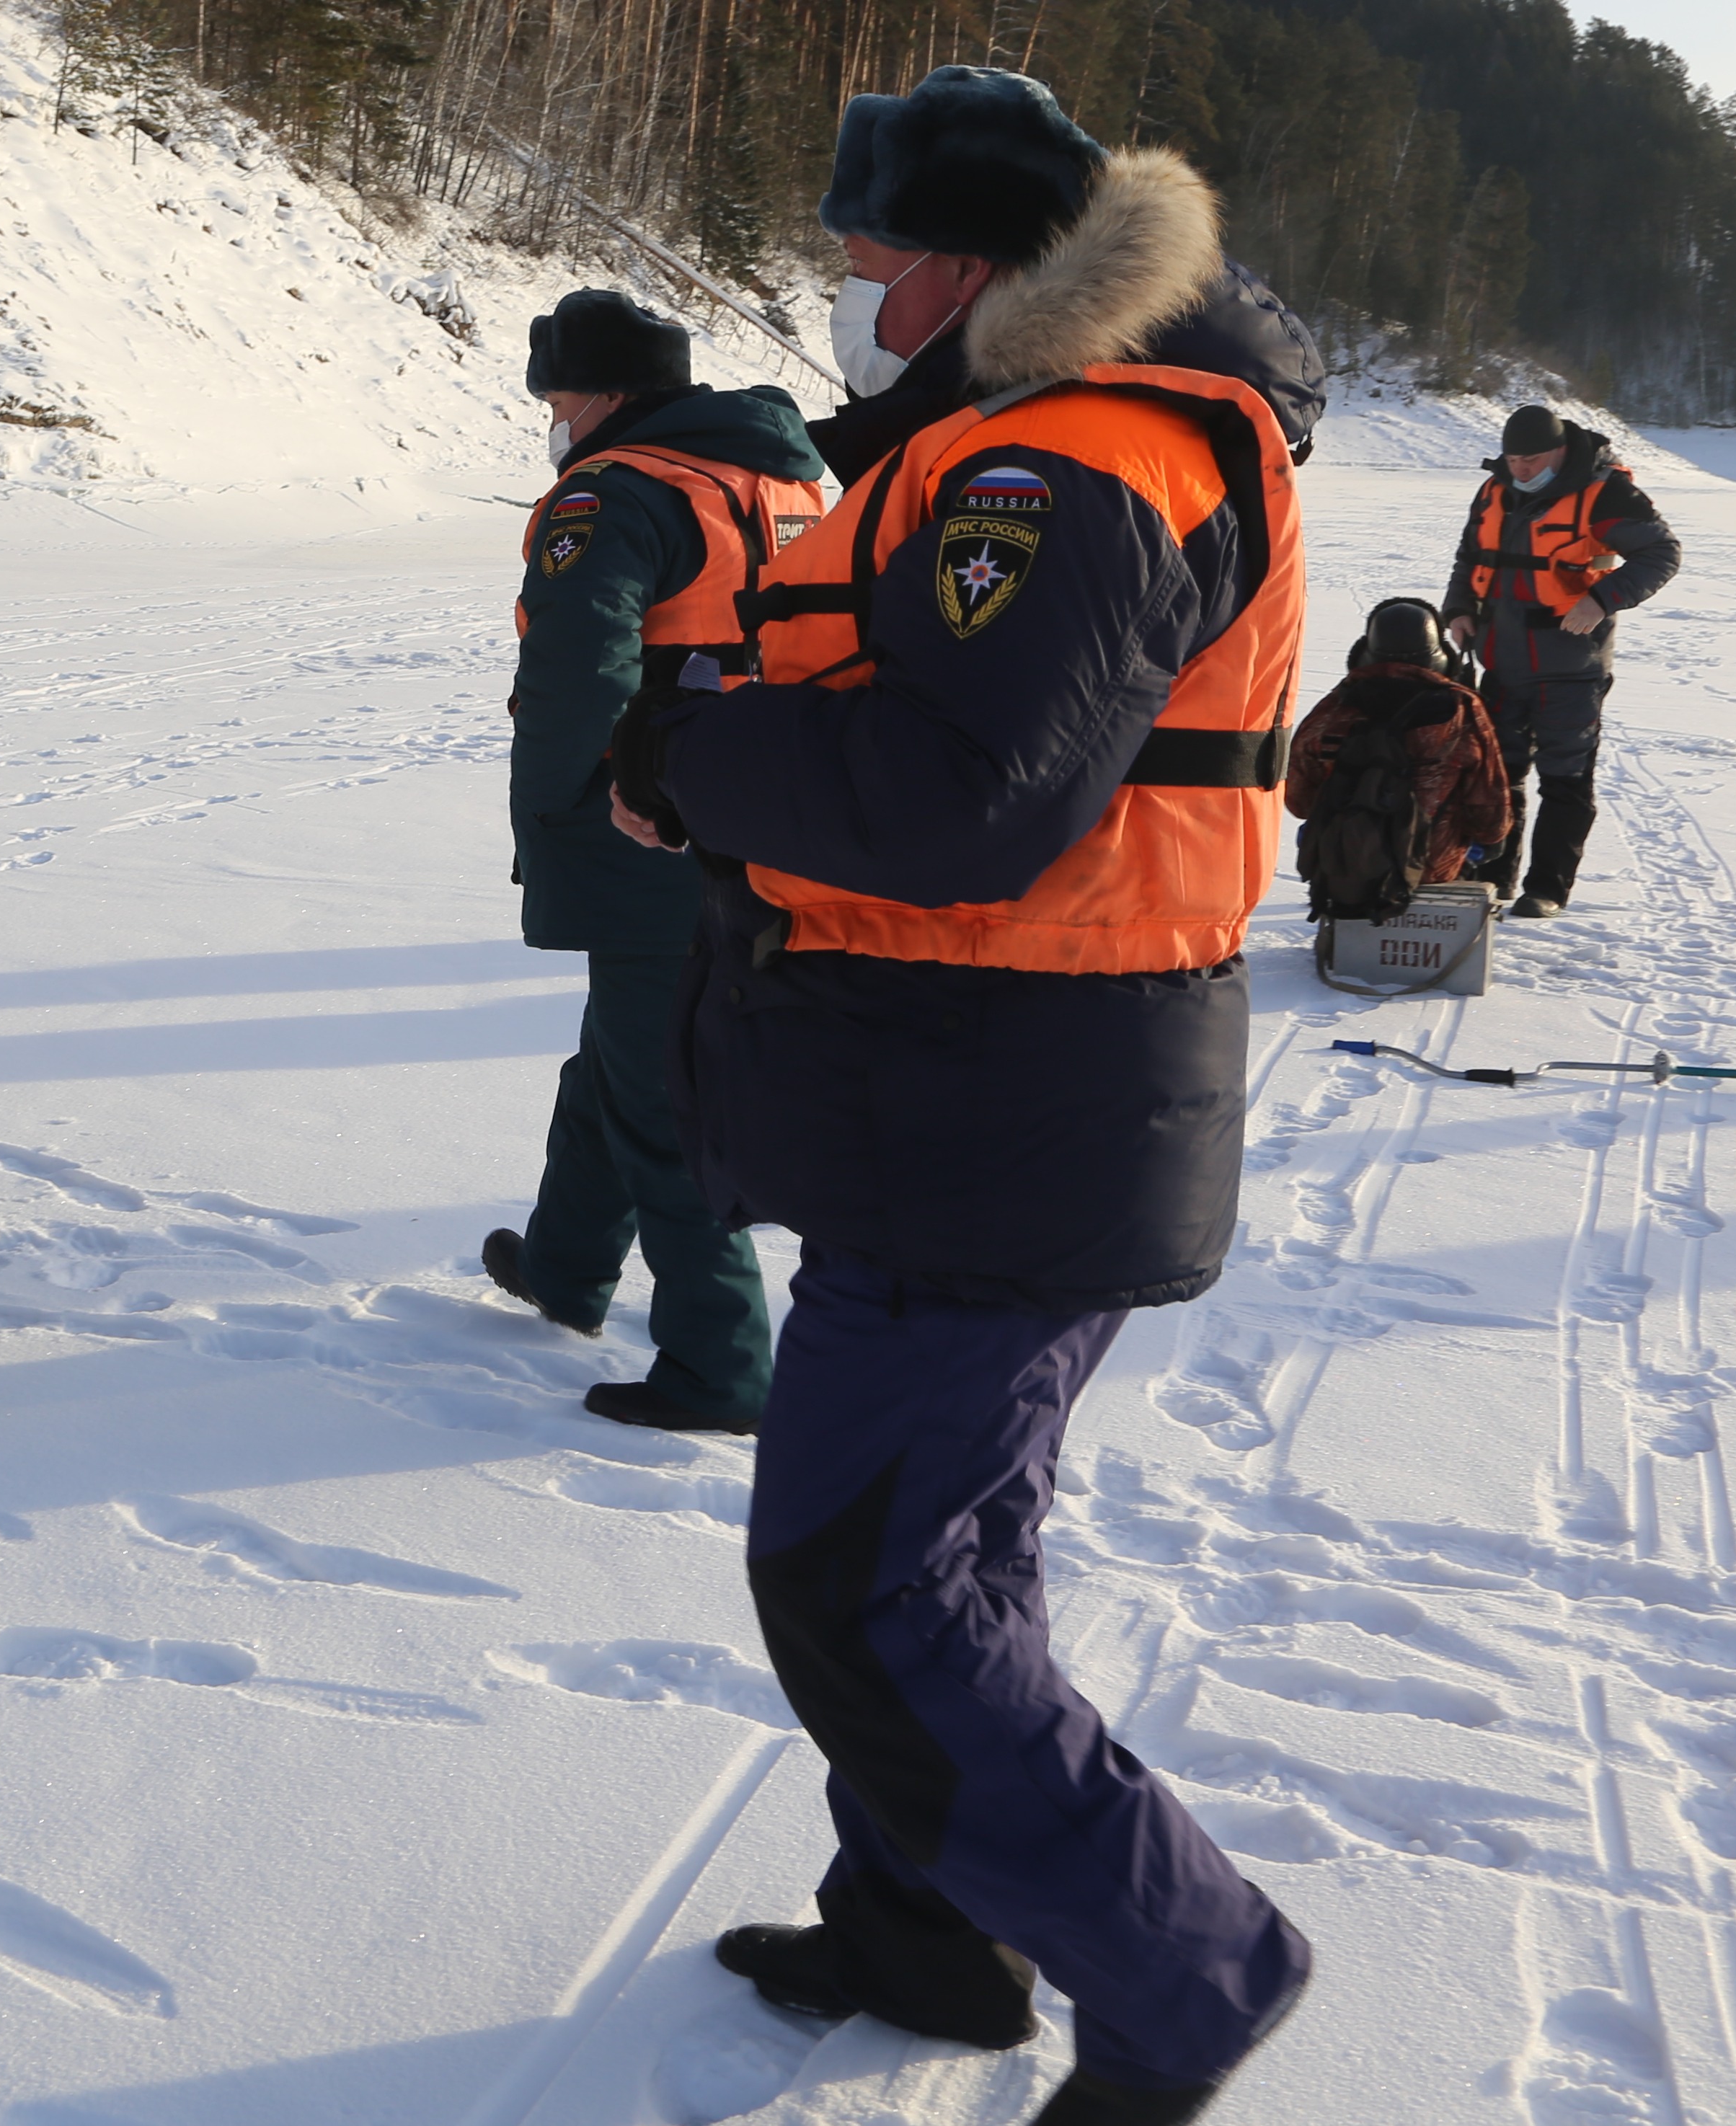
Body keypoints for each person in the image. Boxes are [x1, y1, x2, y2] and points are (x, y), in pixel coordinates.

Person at [605, 68, 1313, 2124]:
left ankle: (1188, 1973)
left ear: (975, 263)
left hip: (1008, 1110)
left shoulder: (1071, 459)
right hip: (969, 1090)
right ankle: (921, 1926)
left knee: (877, 1587)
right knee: (932, 1552)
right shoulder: (1007, 439)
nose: (840, 296)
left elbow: (969, 796)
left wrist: (686, 771)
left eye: (861, 260)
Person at [476, 289, 825, 1435]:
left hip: (645, 820)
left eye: (559, 391)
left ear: (612, 393)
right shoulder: (780, 482)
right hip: (758, 803)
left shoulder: (613, 493)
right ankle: (568, 1268)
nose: (553, 414)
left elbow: (581, 670)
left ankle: (719, 1367)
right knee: (622, 1057)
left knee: (662, 1095)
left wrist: (556, 820)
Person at [1436, 403, 1681, 918]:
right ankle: (1491, 877)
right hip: (1500, 660)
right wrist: (1458, 609)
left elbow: (1661, 553)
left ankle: (1546, 887)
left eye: (1532, 459)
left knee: (1565, 777)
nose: (1520, 469)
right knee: (1496, 774)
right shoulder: (1494, 490)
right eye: (1513, 459)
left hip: (1571, 666)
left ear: (1559, 451)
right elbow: (1468, 556)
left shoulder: (1605, 492)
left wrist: (1600, 600)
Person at [1284, 596, 1513, 913]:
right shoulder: (1463, 711)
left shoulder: (1334, 708)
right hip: (1433, 868)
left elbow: (1298, 802)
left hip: (1348, 862)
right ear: (1441, 656)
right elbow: (1492, 821)